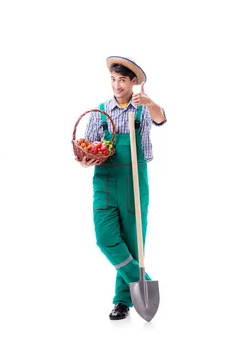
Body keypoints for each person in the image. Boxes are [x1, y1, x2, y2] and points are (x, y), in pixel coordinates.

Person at [76, 56, 166, 320]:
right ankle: (143, 281)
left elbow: (160, 119)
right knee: (105, 239)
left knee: (133, 242)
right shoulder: (100, 112)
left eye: (122, 80)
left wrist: (149, 103)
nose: (116, 85)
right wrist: (85, 160)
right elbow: (88, 146)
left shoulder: (141, 110)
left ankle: (122, 302)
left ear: (133, 82)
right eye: (113, 80)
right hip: (104, 183)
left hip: (135, 182)